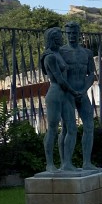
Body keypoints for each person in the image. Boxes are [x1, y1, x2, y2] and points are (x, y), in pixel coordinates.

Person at [40, 27, 80, 172]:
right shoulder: (49, 56)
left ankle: (66, 163)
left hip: (65, 95)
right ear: (52, 39)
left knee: (72, 128)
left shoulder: (59, 53)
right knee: (52, 129)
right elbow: (60, 80)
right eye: (59, 38)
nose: (62, 40)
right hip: (56, 94)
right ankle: (49, 163)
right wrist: (74, 92)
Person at [59, 21, 98, 169]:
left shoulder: (86, 53)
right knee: (66, 128)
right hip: (67, 94)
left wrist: (83, 90)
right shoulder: (61, 52)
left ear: (78, 34)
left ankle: (87, 162)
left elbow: (91, 74)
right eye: (68, 33)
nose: (71, 36)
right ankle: (65, 163)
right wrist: (71, 91)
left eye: (74, 33)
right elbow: (58, 75)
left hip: (82, 93)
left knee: (89, 126)